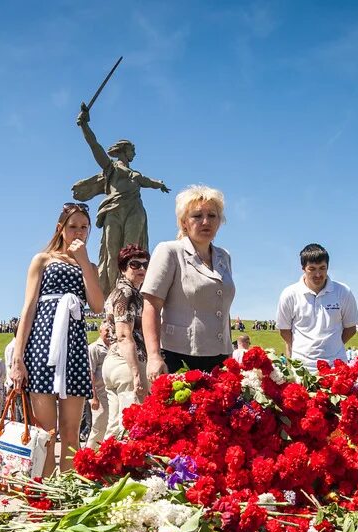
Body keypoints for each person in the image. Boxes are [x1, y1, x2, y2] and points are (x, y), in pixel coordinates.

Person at [10, 203, 104, 476]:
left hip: (73, 348)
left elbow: (97, 305)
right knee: (45, 433)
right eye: (72, 226)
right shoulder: (43, 259)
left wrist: (85, 262)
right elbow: (28, 308)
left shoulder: (90, 266)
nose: (78, 232)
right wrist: (18, 357)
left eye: (83, 227)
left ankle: (68, 495)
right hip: (42, 345)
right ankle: (45, 493)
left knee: (71, 432)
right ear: (60, 228)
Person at [74, 105, 171, 295]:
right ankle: (111, 294)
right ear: (124, 151)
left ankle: (131, 293)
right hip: (113, 211)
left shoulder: (135, 175)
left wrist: (158, 184)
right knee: (112, 254)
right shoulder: (111, 168)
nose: (134, 154)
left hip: (134, 210)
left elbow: (144, 180)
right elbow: (95, 146)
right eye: (132, 150)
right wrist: (84, 125)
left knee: (132, 252)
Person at [143, 185, 236, 378]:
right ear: (184, 222)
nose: (205, 222)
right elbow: (151, 305)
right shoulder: (169, 251)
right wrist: (153, 356)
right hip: (178, 358)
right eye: (196, 216)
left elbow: (223, 308)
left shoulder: (224, 257)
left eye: (212, 216)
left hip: (221, 358)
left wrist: (230, 353)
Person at [276, 243, 358, 372]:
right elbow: (284, 330)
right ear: (303, 268)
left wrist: (333, 347)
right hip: (303, 368)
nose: (318, 274)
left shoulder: (343, 291)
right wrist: (304, 350)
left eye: (322, 268)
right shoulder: (289, 294)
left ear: (328, 267)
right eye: (312, 269)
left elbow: (351, 328)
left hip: (335, 366)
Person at [103, 245, 150, 438]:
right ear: (123, 267)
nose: (142, 269)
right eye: (135, 264)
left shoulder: (114, 293)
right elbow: (123, 335)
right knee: (132, 428)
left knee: (114, 428)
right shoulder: (128, 294)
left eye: (145, 265)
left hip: (112, 363)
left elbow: (106, 331)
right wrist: (136, 373)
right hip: (127, 363)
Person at [86, 320, 112, 448]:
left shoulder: (113, 347)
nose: (109, 333)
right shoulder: (94, 348)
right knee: (98, 425)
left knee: (110, 425)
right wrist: (94, 397)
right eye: (106, 330)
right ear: (100, 331)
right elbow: (90, 373)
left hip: (111, 392)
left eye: (110, 330)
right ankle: (89, 453)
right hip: (99, 394)